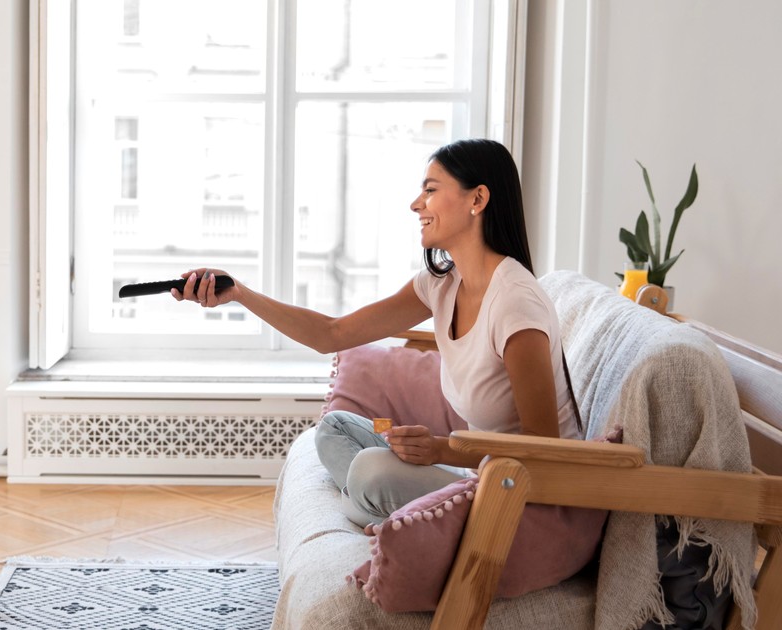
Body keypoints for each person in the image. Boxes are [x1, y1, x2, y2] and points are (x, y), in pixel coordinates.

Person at [172, 138, 582, 528]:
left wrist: (441, 448)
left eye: (431, 190)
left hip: (519, 494)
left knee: (370, 470)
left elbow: (543, 446)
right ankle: (391, 512)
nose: (415, 204)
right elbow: (331, 334)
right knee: (335, 429)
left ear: (477, 199)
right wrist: (240, 294)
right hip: (475, 471)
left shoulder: (514, 302)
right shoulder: (441, 284)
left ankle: (380, 509)